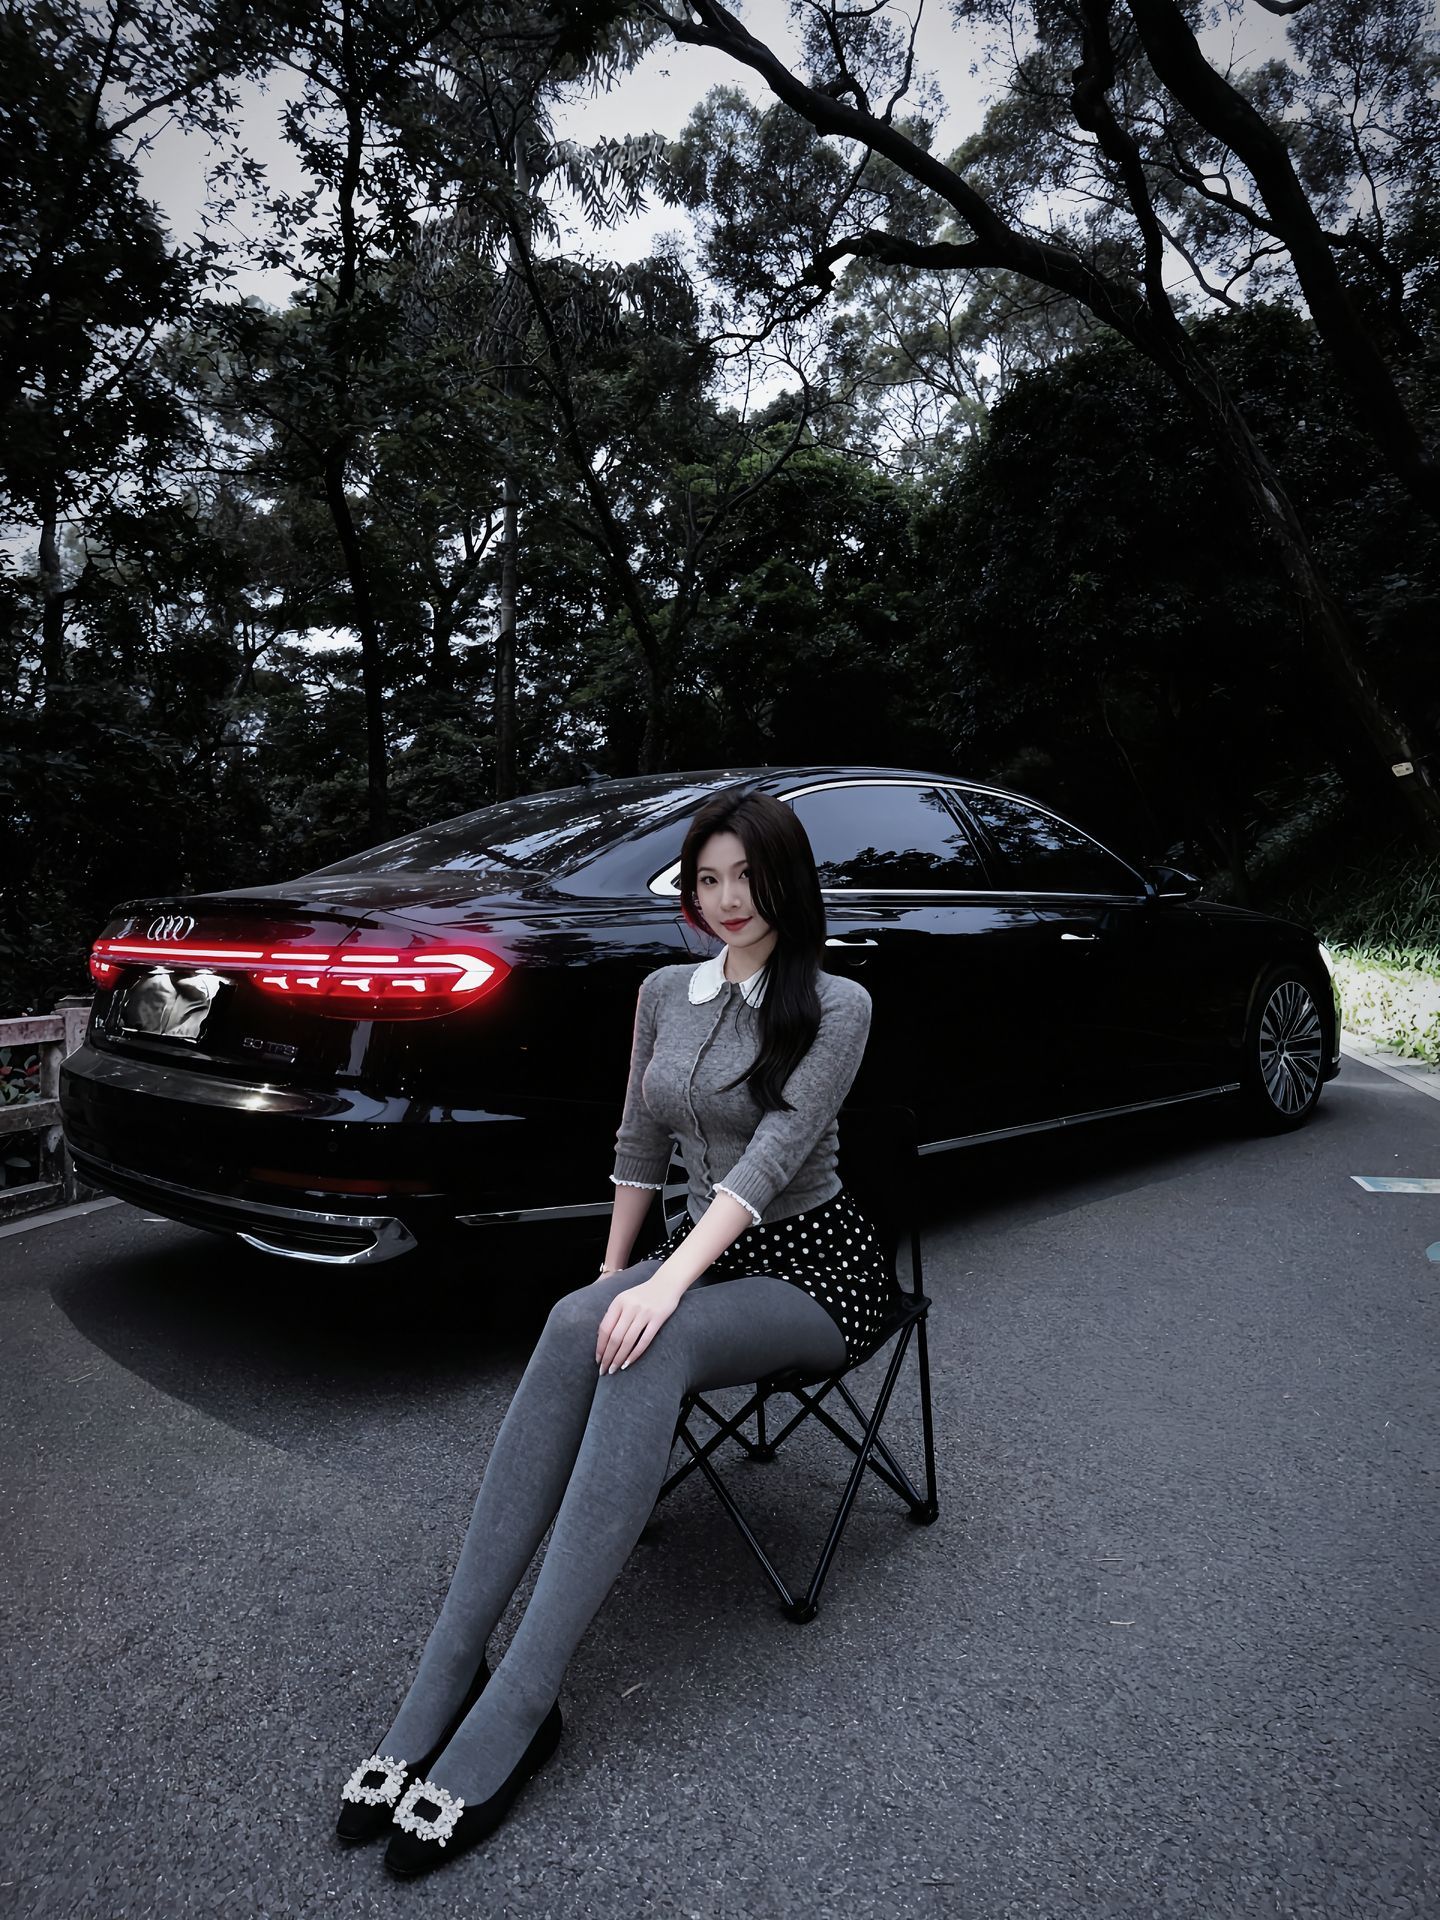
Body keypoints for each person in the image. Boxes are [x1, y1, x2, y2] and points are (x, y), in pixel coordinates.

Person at [335, 789, 898, 1878]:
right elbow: (640, 1140)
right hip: (702, 1253)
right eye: (708, 879)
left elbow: (771, 1159)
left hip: (813, 1270)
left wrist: (661, 1288)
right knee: (575, 1322)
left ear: (789, 881)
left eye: (749, 877)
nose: (728, 899)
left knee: (653, 1342)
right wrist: (610, 1278)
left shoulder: (838, 1004)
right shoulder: (662, 993)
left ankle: (524, 1699)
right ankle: (450, 1666)